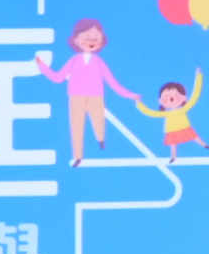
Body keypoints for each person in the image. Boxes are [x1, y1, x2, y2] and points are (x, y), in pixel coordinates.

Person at [35, 17, 138, 165]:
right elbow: (58, 77)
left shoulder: (99, 62)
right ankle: (78, 156)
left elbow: (112, 82)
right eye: (86, 38)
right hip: (76, 97)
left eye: (95, 38)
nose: (91, 41)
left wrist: (129, 94)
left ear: (101, 41)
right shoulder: (74, 61)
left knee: (98, 122)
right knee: (76, 126)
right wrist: (42, 66)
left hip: (96, 97)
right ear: (76, 40)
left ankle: (101, 140)